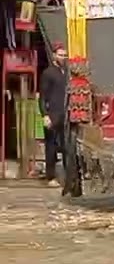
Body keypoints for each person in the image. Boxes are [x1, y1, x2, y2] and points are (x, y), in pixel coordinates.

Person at [39, 43, 67, 188]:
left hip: (64, 114)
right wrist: (45, 115)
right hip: (52, 114)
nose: (63, 58)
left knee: (66, 145)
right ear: (54, 55)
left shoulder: (66, 72)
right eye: (60, 55)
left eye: (64, 55)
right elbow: (42, 96)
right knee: (51, 146)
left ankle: (68, 177)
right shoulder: (48, 73)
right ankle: (50, 176)